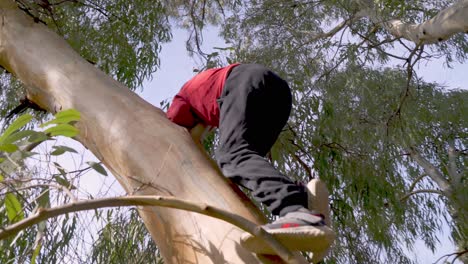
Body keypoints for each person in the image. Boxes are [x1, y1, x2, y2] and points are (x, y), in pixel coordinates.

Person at [166, 63, 334, 255]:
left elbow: (178, 136)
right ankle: (307, 204)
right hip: (278, 94)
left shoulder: (182, 98)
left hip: (242, 83)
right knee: (245, 164)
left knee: (232, 157)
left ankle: (295, 209)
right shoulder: (203, 92)